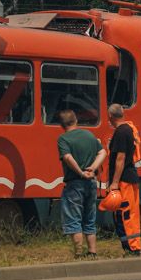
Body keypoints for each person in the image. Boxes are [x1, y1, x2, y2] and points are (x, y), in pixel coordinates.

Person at [57, 109, 106, 259]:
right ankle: (92, 252)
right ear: (76, 120)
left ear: (61, 125)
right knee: (89, 218)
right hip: (91, 182)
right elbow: (103, 152)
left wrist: (80, 172)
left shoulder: (63, 139)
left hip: (75, 183)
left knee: (74, 219)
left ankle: (78, 253)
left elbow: (67, 158)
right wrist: (93, 168)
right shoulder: (89, 135)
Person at [105, 103, 141, 256]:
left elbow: (120, 159)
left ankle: (130, 247)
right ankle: (135, 246)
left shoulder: (121, 132)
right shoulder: (129, 129)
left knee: (123, 214)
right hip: (131, 177)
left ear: (110, 116)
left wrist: (114, 183)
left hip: (124, 180)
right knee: (132, 213)